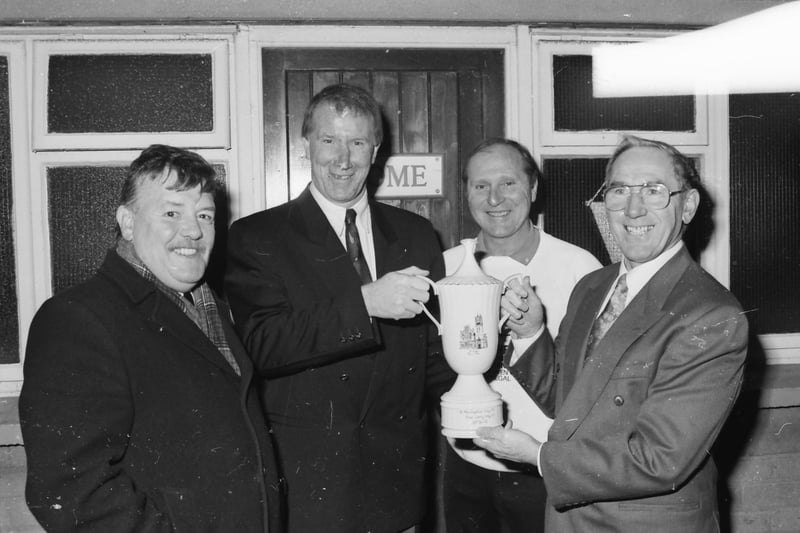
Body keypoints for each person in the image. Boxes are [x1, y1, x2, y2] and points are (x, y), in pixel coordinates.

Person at [473, 135, 749, 532]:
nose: (633, 209)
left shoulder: (711, 315)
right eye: (619, 191)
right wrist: (533, 333)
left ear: (687, 206)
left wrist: (537, 456)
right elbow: (574, 403)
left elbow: (660, 458)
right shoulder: (592, 286)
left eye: (654, 191)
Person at [19, 145, 284, 532]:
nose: (193, 230)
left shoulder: (212, 309)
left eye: (205, 215)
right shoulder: (77, 318)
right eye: (171, 212)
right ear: (127, 223)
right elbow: (71, 493)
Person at [224, 84, 452, 533]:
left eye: (358, 142)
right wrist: (365, 303)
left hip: (397, 482)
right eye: (329, 140)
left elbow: (433, 355)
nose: (343, 159)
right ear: (305, 143)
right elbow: (262, 345)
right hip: (307, 485)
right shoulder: (258, 236)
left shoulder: (418, 234)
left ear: (376, 149)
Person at [442, 138, 601, 533]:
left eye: (508, 183)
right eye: (480, 186)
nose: (494, 198)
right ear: (466, 194)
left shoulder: (580, 268)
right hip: (465, 467)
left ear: (532, 190)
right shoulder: (445, 267)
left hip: (544, 473)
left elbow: (593, 385)